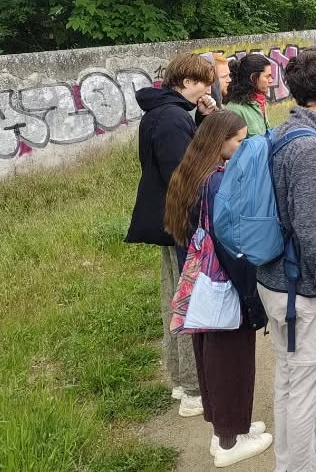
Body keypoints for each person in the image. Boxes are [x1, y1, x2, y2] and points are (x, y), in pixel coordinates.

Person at [255, 47, 316, 472]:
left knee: (291, 380)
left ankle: (293, 464)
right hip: (301, 288)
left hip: (276, 278)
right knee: (312, 386)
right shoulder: (308, 147)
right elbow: (314, 226)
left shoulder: (282, 131)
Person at [164, 111, 273, 468]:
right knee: (231, 360)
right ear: (219, 140)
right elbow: (230, 241)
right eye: (239, 140)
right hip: (225, 281)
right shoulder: (218, 181)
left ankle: (226, 430)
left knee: (209, 355)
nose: (243, 146)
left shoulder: (190, 172)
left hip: (200, 282)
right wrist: (249, 294)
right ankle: (230, 442)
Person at [126, 52, 217, 417]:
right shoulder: (172, 119)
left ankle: (181, 381)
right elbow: (184, 174)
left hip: (168, 220)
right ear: (185, 82)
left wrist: (201, 118)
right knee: (189, 302)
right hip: (181, 222)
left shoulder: (162, 113)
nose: (207, 89)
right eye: (203, 83)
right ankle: (194, 389)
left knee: (173, 297)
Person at [225, 53, 274, 136]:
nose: (271, 80)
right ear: (253, 78)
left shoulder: (259, 101)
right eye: (267, 76)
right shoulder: (234, 110)